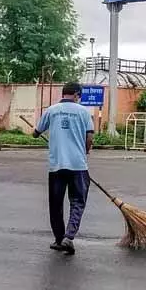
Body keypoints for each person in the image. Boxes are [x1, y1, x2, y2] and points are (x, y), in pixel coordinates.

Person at [33, 82, 94, 255]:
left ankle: (59, 239)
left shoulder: (51, 110)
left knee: (56, 204)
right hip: (78, 165)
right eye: (79, 96)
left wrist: (36, 133)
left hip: (57, 166)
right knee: (78, 202)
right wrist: (85, 151)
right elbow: (89, 137)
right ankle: (69, 236)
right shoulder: (84, 112)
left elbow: (36, 132)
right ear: (76, 94)